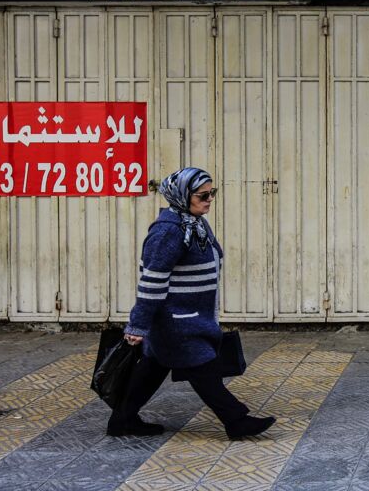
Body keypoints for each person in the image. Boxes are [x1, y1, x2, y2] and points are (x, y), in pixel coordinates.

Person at [108, 167, 276, 439]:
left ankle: (122, 420)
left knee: (152, 368)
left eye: (212, 193)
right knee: (203, 370)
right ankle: (236, 420)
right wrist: (137, 325)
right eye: (202, 195)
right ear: (181, 195)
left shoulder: (194, 225)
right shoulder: (168, 232)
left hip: (191, 316)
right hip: (176, 321)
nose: (209, 199)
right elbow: (152, 281)